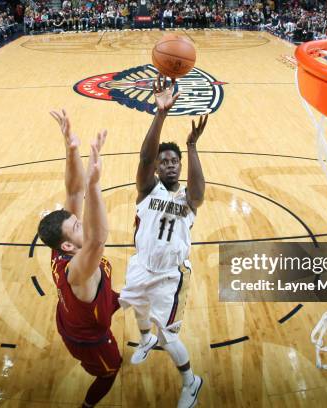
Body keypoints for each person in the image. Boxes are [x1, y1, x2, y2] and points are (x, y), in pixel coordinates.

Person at [119, 75, 208, 408]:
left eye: (175, 162)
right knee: (136, 307)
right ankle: (143, 340)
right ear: (157, 167)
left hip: (171, 275)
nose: (170, 164)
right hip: (142, 264)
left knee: (169, 337)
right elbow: (144, 159)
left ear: (180, 166)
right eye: (164, 161)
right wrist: (161, 113)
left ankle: (191, 381)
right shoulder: (148, 189)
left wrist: (192, 146)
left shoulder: (187, 198)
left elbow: (199, 192)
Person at [37, 109, 121, 408]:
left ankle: (115, 301)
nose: (80, 222)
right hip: (88, 339)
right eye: (76, 226)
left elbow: (73, 190)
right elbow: (98, 238)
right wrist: (95, 185)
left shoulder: (60, 242)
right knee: (111, 372)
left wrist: (71, 148)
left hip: (73, 315)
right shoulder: (78, 270)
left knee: (116, 296)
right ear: (69, 247)